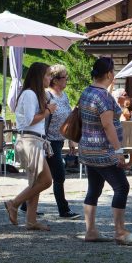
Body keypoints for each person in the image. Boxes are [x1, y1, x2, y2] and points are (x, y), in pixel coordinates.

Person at [77, 57, 132, 245]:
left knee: (94, 189)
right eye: (113, 71)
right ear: (108, 74)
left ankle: (91, 231)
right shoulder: (103, 97)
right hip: (103, 151)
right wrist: (118, 150)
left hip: (88, 148)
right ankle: (120, 232)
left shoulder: (87, 92)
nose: (114, 74)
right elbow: (107, 125)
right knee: (121, 187)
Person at [4, 62, 56, 231]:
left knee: (36, 182)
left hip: (34, 141)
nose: (50, 78)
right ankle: (14, 203)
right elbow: (29, 120)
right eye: (48, 75)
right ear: (39, 77)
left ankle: (31, 221)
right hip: (29, 141)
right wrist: (48, 111)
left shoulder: (34, 94)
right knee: (46, 181)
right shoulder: (29, 94)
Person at [43, 64, 76, 219]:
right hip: (48, 142)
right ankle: (64, 210)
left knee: (41, 177)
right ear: (55, 80)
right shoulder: (47, 96)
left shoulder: (64, 96)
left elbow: (68, 118)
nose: (67, 80)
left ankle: (24, 204)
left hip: (59, 140)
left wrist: (71, 140)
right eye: (64, 77)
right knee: (59, 175)